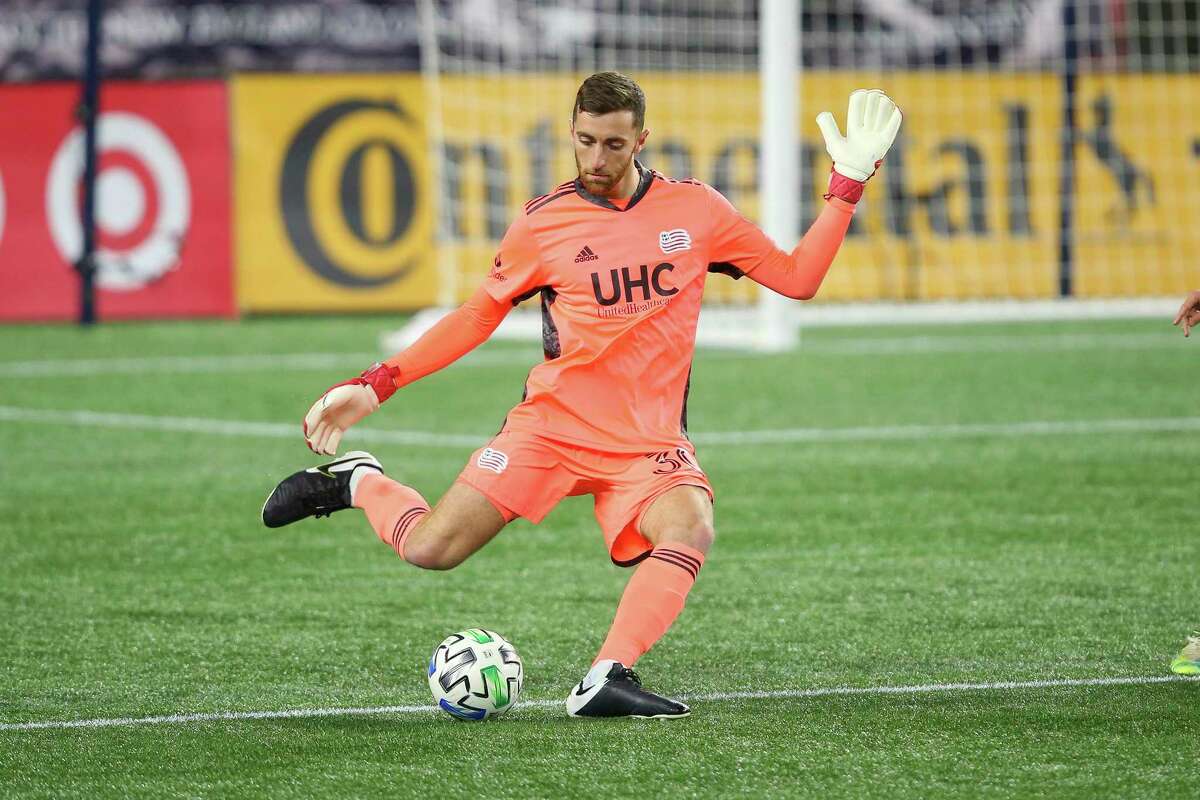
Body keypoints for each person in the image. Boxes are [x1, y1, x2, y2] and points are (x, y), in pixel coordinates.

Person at [262, 72, 902, 718]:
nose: (596, 160)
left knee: (692, 524)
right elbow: (476, 315)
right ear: (572, 133)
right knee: (431, 548)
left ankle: (605, 675)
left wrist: (846, 186)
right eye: (586, 141)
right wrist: (378, 384)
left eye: (614, 145)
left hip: (647, 443)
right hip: (552, 429)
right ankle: (358, 482)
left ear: (642, 140)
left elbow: (797, 278)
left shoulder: (696, 211)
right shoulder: (544, 224)